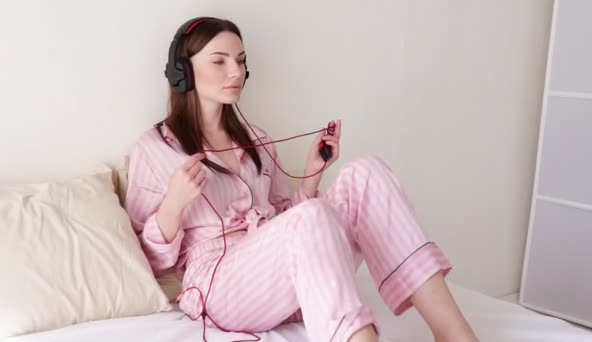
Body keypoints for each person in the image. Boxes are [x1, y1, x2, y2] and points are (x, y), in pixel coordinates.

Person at [124, 16, 478, 342]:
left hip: (285, 282)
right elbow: (149, 262)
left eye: (241, 60)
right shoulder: (155, 148)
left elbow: (289, 225)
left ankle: (453, 334)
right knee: (312, 215)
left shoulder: (257, 139)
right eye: (219, 61)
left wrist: (310, 176)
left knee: (365, 171)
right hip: (219, 289)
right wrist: (172, 205)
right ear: (182, 72)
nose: (235, 71)